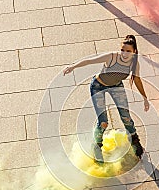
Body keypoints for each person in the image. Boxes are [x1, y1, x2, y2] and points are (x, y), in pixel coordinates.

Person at [63, 35, 149, 163]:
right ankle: (97, 147)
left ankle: (135, 142)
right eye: (123, 50)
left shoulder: (134, 64)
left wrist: (144, 98)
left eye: (128, 51)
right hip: (98, 86)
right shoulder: (112, 56)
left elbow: (137, 80)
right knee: (103, 122)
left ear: (134, 52)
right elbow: (90, 61)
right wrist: (73, 66)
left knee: (126, 117)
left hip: (116, 86)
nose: (124, 53)